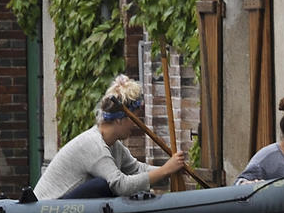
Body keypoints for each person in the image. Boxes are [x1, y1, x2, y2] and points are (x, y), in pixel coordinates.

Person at [33, 74, 186, 200]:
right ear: (119, 119)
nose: (136, 124)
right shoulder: (94, 145)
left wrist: (172, 169)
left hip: (68, 205)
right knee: (102, 185)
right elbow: (120, 185)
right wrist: (165, 170)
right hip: (48, 209)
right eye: (134, 118)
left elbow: (137, 169)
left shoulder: (114, 145)